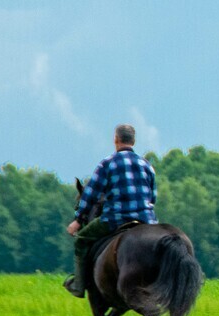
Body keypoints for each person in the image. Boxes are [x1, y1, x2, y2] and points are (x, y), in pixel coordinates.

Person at [64, 123, 157, 297]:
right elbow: (153, 198)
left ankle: (78, 284)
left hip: (115, 219)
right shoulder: (147, 165)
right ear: (133, 141)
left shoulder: (107, 164)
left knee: (82, 240)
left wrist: (78, 220)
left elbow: (90, 194)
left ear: (116, 139)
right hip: (147, 221)